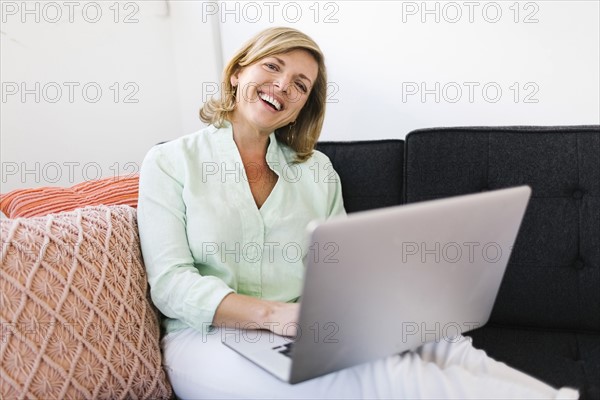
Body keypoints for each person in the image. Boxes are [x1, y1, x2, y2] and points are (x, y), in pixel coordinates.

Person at [137, 27, 578, 399]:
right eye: (273, 67)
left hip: (304, 329)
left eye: (300, 85)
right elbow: (172, 285)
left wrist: (385, 307)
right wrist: (276, 316)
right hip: (208, 341)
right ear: (238, 71)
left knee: (444, 343)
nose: (282, 87)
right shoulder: (170, 162)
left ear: (302, 105)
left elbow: (342, 268)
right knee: (387, 376)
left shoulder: (315, 171)